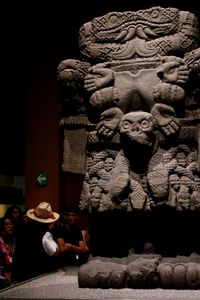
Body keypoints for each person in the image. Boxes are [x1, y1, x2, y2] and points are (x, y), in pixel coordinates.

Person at [12, 202, 60, 283]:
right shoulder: (45, 235)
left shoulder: (22, 229)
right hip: (38, 276)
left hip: (21, 275)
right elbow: (55, 252)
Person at [0, 217, 16, 288]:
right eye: (6, 224)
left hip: (11, 272)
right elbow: (8, 260)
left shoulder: (12, 239)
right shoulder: (0, 240)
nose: (10, 226)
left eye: (11, 224)